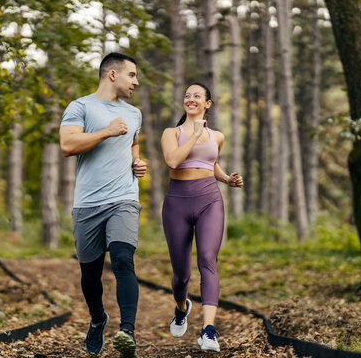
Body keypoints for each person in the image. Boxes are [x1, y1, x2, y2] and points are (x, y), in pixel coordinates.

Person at [59, 52, 147, 358]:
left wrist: (137, 161)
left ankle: (127, 333)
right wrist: (107, 131)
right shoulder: (81, 106)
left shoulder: (134, 114)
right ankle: (98, 319)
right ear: (113, 75)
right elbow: (68, 145)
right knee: (90, 274)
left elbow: (133, 142)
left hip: (123, 198)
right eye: (132, 75)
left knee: (123, 260)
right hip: (88, 203)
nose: (136, 81)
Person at [160, 82, 243, 352]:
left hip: (209, 200)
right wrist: (195, 135)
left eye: (197, 96)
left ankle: (208, 330)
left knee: (208, 260)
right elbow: (173, 161)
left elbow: (211, 164)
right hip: (177, 204)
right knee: (181, 275)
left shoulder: (217, 137)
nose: (190, 99)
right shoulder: (170, 133)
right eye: (187, 95)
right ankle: (182, 308)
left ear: (208, 103)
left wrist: (227, 179)